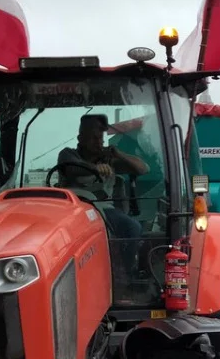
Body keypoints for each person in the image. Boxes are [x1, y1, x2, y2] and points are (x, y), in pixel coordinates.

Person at [55, 114, 150, 271]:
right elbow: (72, 168)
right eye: (93, 138)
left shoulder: (110, 161)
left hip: (103, 210)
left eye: (100, 138)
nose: (98, 142)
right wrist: (94, 168)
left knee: (133, 227)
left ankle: (125, 274)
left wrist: (119, 154)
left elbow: (143, 169)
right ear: (80, 138)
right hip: (72, 209)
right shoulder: (68, 155)